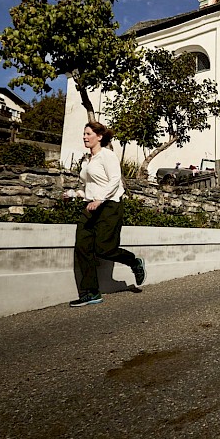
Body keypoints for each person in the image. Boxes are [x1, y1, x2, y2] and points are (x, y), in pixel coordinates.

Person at [70, 121, 146, 307]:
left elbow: (114, 181)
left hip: (109, 206)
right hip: (90, 207)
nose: (85, 137)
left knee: (104, 248)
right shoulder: (87, 160)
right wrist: (75, 194)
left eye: (88, 134)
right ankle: (91, 292)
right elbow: (88, 186)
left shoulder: (107, 155)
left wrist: (100, 199)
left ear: (99, 137)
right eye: (84, 133)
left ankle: (134, 261)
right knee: (82, 248)